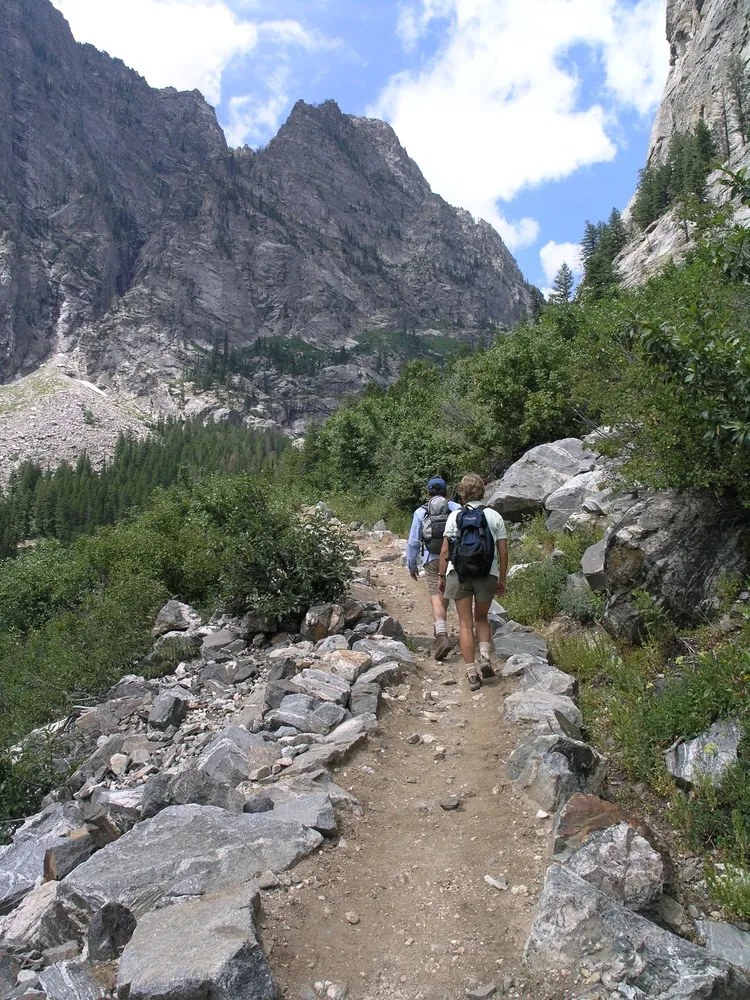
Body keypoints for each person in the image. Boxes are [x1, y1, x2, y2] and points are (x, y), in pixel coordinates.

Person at [438, 473, 508, 690]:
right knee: (482, 618)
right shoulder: (494, 516)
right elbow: (503, 551)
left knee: (465, 624)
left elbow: (444, 550)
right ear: (482, 491)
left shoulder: (454, 516)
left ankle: (471, 674)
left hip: (458, 574)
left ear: (462, 493)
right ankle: (485, 657)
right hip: (487, 574)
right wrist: (501, 578)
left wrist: (441, 577)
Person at [406, 477, 461, 660]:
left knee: (436, 595)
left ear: (428, 492)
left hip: (431, 559)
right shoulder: (455, 508)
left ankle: (442, 634)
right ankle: (444, 630)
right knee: (444, 592)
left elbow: (414, 542)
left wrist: (412, 565)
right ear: (446, 491)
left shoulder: (421, 511)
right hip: (454, 558)